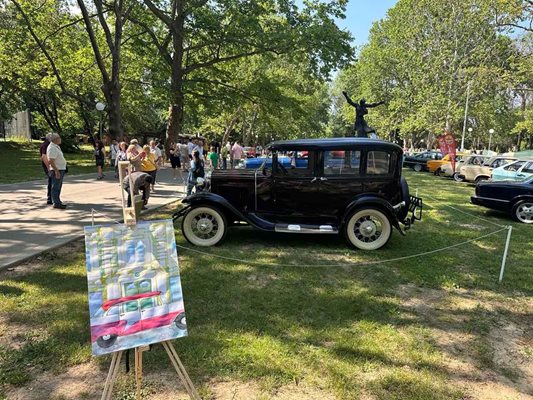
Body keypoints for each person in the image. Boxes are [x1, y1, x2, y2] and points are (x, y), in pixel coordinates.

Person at [46, 133, 68, 209]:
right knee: (55, 186)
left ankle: (57, 200)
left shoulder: (56, 147)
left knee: (58, 186)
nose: (60, 139)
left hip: (60, 169)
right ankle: (56, 202)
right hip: (57, 169)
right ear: (55, 139)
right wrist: (56, 170)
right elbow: (51, 160)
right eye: (59, 137)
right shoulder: (52, 147)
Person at [40, 133, 53, 205]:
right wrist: (49, 167)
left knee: (52, 181)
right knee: (52, 181)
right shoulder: (46, 144)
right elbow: (44, 156)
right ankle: (50, 198)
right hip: (48, 165)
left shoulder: (48, 144)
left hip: (50, 165)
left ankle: (52, 197)